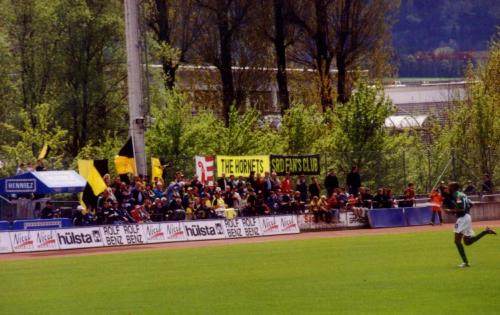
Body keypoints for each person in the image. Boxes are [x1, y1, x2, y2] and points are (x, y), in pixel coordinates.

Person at [445, 182, 496, 267]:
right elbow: (471, 204)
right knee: (467, 242)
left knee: (457, 241)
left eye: (449, 186)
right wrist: (460, 211)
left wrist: (450, 211)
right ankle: (486, 232)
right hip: (466, 217)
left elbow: (462, 209)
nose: (447, 188)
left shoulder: (457, 196)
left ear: (453, 188)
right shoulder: (462, 194)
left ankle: (465, 262)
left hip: (463, 219)